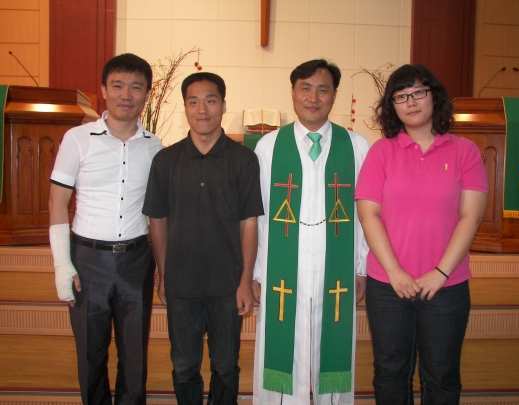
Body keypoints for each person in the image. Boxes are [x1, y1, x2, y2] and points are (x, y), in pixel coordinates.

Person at [355, 64, 488, 405]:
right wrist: (395, 272)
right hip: (388, 285)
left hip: (446, 286)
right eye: (400, 96)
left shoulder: (465, 151)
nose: (410, 102)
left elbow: (470, 217)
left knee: (441, 376)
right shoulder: (381, 152)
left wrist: (440, 273)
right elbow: (369, 215)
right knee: (390, 372)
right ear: (391, 106)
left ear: (434, 96)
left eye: (418, 92)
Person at [252, 59, 370, 405]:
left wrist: (361, 267)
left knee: (333, 339)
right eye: (305, 88)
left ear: (334, 95)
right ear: (293, 93)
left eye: (323, 89)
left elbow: (366, 214)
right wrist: (258, 271)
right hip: (283, 263)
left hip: (336, 263)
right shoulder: (268, 147)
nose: (313, 98)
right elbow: (258, 213)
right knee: (282, 341)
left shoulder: (356, 146)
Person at [142, 72, 264, 405]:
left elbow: (249, 222)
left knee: (225, 367)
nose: (202, 109)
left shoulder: (243, 159)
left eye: (210, 101)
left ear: (223, 105)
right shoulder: (166, 160)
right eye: (193, 101)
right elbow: (157, 221)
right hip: (182, 285)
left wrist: (245, 280)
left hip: (228, 285)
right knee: (184, 367)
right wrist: (164, 274)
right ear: (185, 107)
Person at [48, 53, 162, 405]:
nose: (126, 95)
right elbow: (56, 203)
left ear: (146, 94)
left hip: (136, 260)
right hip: (88, 260)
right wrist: (62, 264)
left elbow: (159, 214)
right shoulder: (77, 139)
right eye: (117, 85)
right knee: (90, 353)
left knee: (134, 355)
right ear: (103, 90)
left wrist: (162, 263)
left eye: (136, 87)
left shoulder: (155, 147)